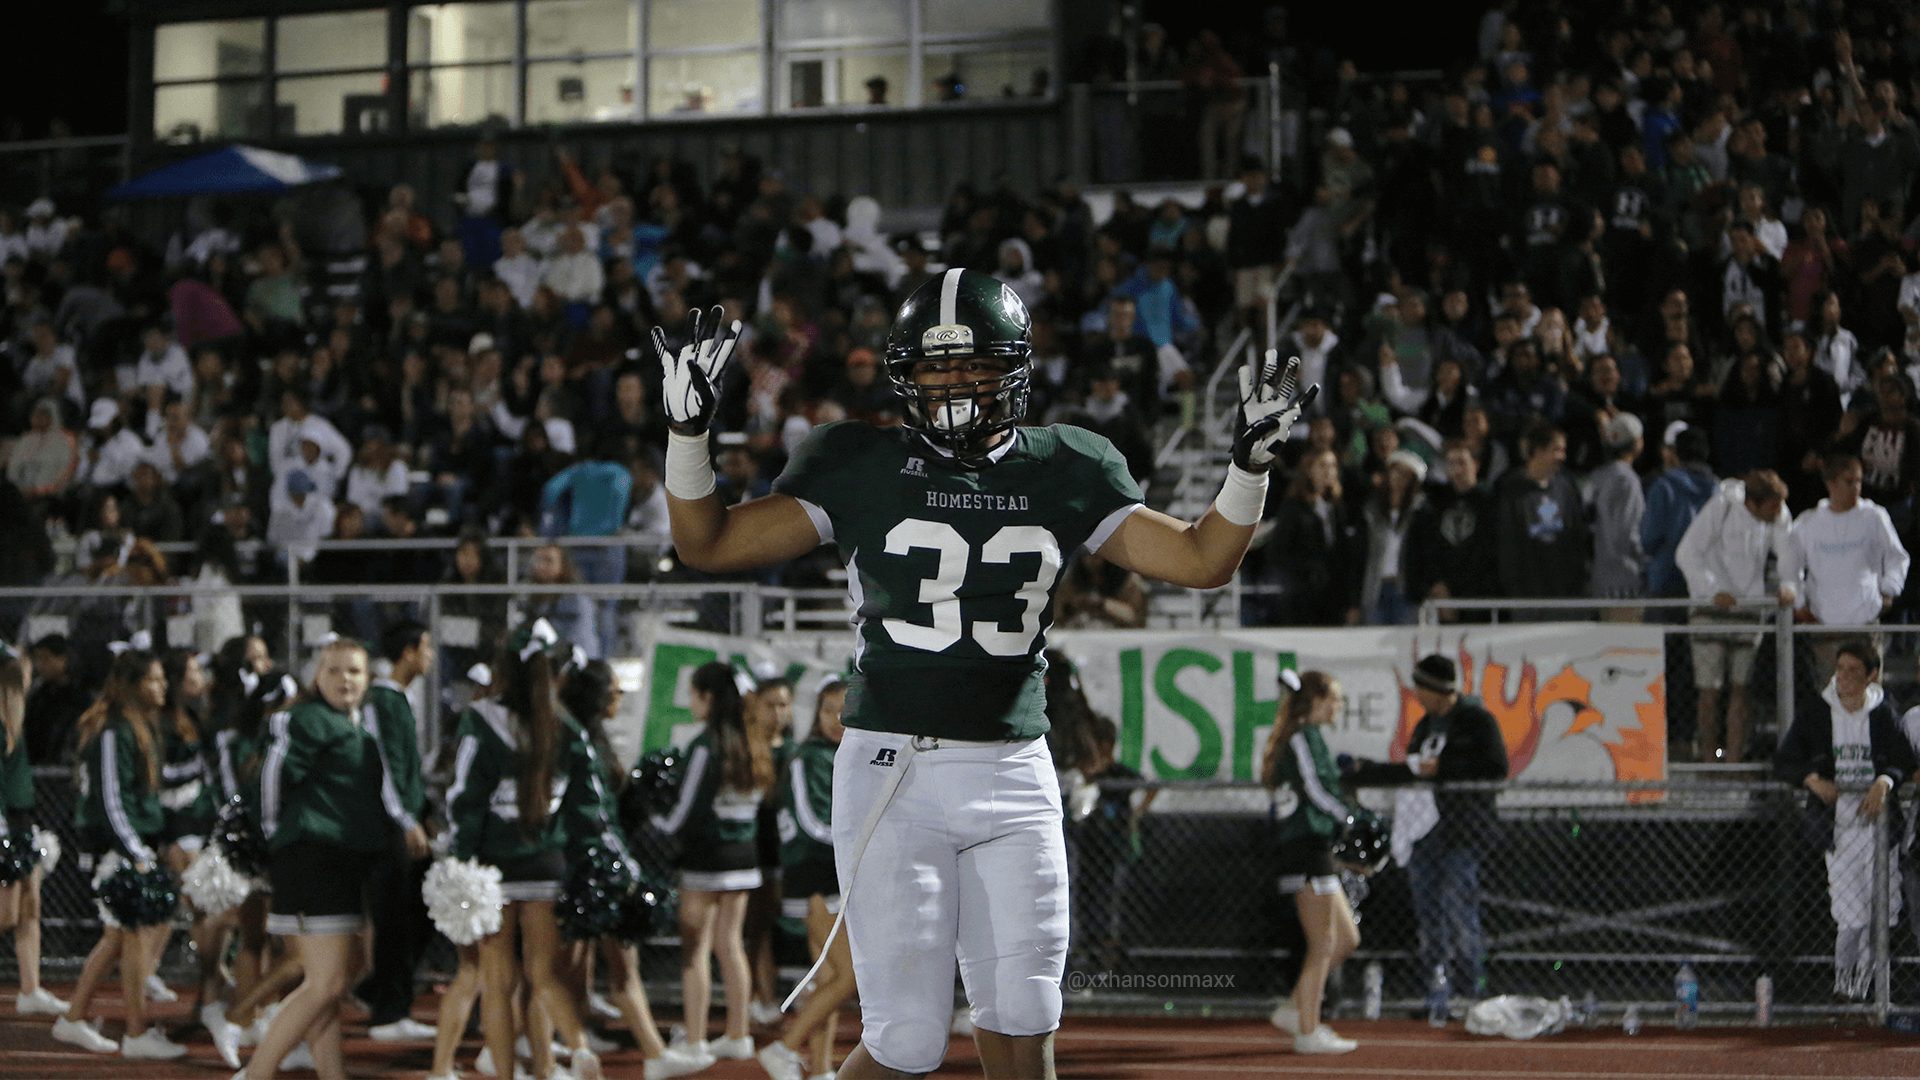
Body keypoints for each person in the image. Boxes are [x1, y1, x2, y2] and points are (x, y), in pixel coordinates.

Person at [653, 262, 1312, 1079]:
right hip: (895, 769)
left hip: (1015, 768)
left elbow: (1202, 560)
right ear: (905, 376)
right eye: (935, 368)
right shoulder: (858, 462)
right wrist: (687, 436)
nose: (954, 385)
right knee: (907, 1039)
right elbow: (709, 543)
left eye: (972, 364)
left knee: (1026, 1015)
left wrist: (1247, 470)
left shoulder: (1069, 465)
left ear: (1015, 369)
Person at [240, 636, 429, 1080]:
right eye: (334, 670)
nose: (345, 679)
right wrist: (275, 835)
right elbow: (270, 779)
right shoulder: (305, 720)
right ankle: (255, 1074)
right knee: (326, 984)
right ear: (316, 676)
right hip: (312, 859)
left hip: (341, 862)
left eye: (355, 671)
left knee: (326, 985)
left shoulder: (353, 722)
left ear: (368, 679)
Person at [443, 623, 604, 1080]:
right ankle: (579, 1048)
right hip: (546, 865)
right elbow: (587, 806)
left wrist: (459, 860)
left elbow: (464, 799)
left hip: (492, 869)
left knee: (498, 982)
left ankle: (507, 1075)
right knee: (544, 975)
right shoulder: (566, 726)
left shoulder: (481, 720)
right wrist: (585, 857)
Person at [555, 659, 711, 1080]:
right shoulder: (573, 741)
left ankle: (599, 1048)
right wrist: (622, 866)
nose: (620, 697)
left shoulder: (592, 739)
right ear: (595, 696)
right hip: (585, 868)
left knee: (595, 964)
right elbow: (589, 814)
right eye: (614, 691)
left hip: (597, 866)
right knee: (557, 968)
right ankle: (548, 1052)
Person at [1349, 654, 1509, 1006]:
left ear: (1437, 689)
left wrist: (1443, 767)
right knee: (1429, 916)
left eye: (1421, 688)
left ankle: (1471, 990)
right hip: (1424, 835)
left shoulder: (1477, 721)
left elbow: (1496, 768)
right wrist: (1369, 772)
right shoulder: (1424, 726)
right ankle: (1437, 990)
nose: (1417, 695)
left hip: (1461, 832)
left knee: (1459, 911)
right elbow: (1412, 770)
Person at [53, 648, 184, 1059]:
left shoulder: (138, 727)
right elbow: (112, 800)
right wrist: (137, 852)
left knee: (116, 941)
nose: (163, 686)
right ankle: (135, 1032)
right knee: (133, 940)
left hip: (131, 845)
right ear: (132, 685)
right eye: (154, 680)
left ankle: (74, 1018)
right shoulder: (114, 731)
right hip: (120, 850)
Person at [1774, 640, 1914, 1001]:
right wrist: (1813, 780)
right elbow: (1785, 761)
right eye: (1840, 669)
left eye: (1854, 671)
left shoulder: (1883, 713)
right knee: (1850, 915)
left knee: (1881, 912)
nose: (1844, 678)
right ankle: (1844, 985)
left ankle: (1868, 989)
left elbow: (1903, 760)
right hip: (1838, 828)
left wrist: (1884, 782)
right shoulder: (1817, 712)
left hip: (1879, 829)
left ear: (1872, 675)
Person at [649, 661, 767, 1064]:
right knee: (730, 945)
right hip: (744, 856)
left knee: (695, 949)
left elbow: (687, 810)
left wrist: (655, 824)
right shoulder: (751, 741)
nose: (691, 703)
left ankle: (696, 1040)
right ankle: (738, 1033)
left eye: (694, 695)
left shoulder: (705, 745)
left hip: (706, 858)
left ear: (708, 698)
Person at [758, 675, 858, 1080]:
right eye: (827, 710)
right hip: (814, 875)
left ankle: (819, 1068)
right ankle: (784, 1047)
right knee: (849, 976)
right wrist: (865, 841)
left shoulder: (846, 752)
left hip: (831, 872)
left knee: (828, 978)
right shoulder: (809, 756)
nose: (835, 719)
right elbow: (812, 822)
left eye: (844, 710)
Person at [1260, 671, 1363, 1055]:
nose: (1339, 706)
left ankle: (1294, 1010)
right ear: (1315, 700)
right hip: (1303, 848)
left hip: (1315, 845)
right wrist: (1349, 817)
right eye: (1334, 698)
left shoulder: (1312, 736)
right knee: (1323, 943)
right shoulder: (1302, 737)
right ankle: (1308, 1030)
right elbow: (1315, 788)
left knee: (1346, 939)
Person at [1675, 470, 1797, 763]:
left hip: (1749, 610)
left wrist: (1789, 585)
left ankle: (1733, 760)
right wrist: (1712, 590)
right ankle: (1710, 759)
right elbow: (1687, 553)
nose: (1779, 512)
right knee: (1710, 690)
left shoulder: (1778, 513)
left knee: (1742, 688)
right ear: (1753, 503)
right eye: (1773, 506)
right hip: (1709, 611)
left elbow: (1789, 553)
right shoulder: (1721, 507)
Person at [358, 621, 436, 1043]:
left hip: (406, 819)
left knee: (416, 913)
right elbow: (383, 764)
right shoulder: (382, 700)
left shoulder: (401, 699)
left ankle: (379, 991)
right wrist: (405, 819)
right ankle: (388, 1012)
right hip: (389, 826)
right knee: (394, 919)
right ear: (408, 651)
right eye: (426, 647)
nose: (431, 656)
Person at [1786, 454, 1910, 676]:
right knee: (1831, 689)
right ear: (1831, 484)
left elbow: (1897, 556)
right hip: (1825, 626)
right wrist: (1801, 603)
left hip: (1865, 623)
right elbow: (1790, 567)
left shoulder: (1874, 516)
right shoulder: (1808, 522)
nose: (1856, 487)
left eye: (1859, 480)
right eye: (1849, 481)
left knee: (1869, 689)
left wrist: (1889, 588)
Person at [0, 644, 64, 1018]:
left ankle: (31, 989)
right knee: (6, 914)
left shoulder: (16, 718)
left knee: (30, 908)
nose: (31, 677)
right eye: (25, 672)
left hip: (23, 821)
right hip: (5, 823)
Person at [1493, 420, 1590, 617]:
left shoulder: (1567, 487)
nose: (1562, 456)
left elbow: (1578, 535)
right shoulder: (1511, 490)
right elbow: (1507, 544)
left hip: (1567, 597)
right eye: (1557, 450)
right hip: (1528, 600)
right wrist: (1514, 591)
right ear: (1538, 451)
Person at [1407, 439, 1498, 621]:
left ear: (1476, 465)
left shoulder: (1491, 502)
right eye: (1451, 463)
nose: (1456, 469)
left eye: (1462, 463)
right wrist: (1436, 585)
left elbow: (1490, 551)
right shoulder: (1434, 506)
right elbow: (1428, 549)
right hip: (1444, 597)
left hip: (1480, 598)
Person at [1586, 412, 1647, 616]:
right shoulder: (1628, 480)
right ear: (1637, 444)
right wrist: (1647, 561)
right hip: (1625, 583)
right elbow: (1629, 534)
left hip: (1599, 580)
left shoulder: (1596, 476)